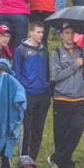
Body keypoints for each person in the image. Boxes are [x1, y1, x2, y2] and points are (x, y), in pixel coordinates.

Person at [49, 24, 84, 168]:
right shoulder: (56, 53)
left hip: (80, 99)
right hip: (62, 99)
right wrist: (74, 66)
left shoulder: (82, 52)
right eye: (66, 33)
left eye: (72, 33)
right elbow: (55, 76)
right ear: (61, 35)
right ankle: (65, 162)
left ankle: (58, 158)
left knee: (77, 129)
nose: (69, 36)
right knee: (60, 133)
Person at [14, 21, 51, 159]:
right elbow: (17, 72)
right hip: (28, 94)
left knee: (38, 129)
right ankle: (23, 159)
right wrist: (24, 87)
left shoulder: (45, 50)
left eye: (42, 32)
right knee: (26, 128)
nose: (41, 35)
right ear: (31, 32)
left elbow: (47, 71)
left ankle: (32, 159)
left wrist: (47, 87)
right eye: (38, 32)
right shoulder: (21, 50)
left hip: (43, 95)